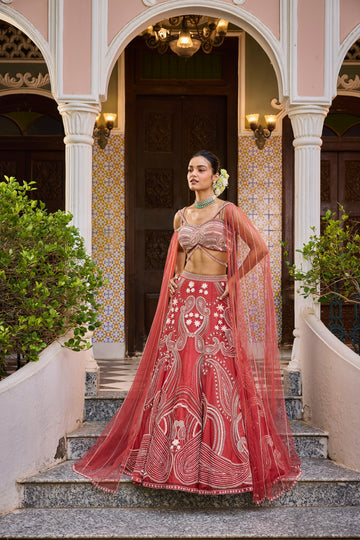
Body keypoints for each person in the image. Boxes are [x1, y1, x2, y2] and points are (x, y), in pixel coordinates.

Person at [73, 149, 301, 503]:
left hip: (215, 300)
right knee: (178, 371)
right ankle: (167, 462)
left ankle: (221, 464)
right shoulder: (181, 216)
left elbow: (259, 248)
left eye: (200, 169)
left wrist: (234, 279)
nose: (193, 174)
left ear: (215, 175)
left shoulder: (228, 211)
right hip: (184, 303)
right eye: (190, 169)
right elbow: (177, 258)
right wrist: (177, 281)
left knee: (215, 372)